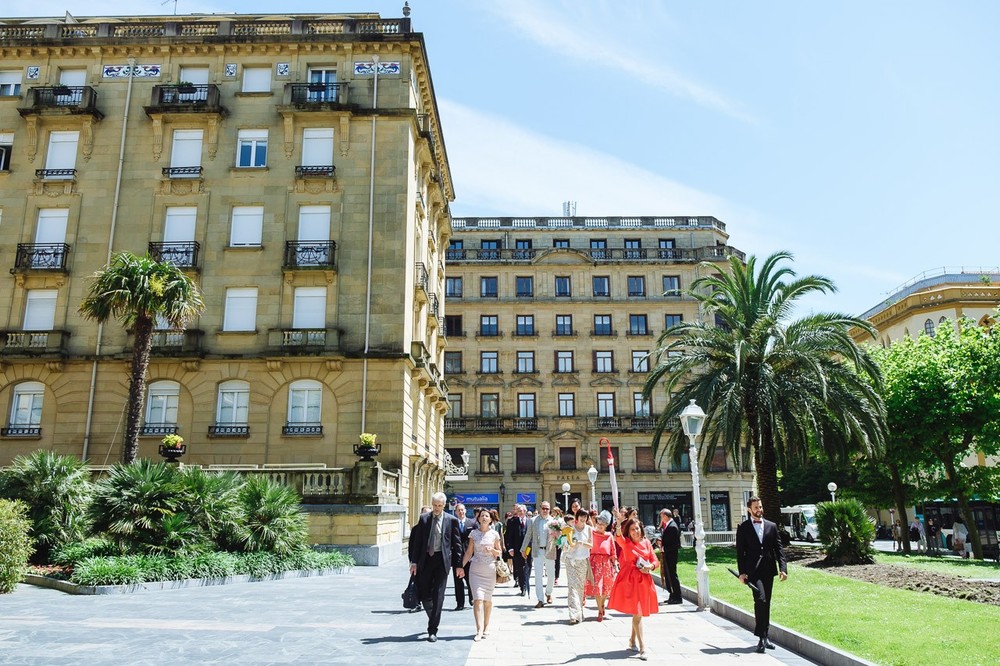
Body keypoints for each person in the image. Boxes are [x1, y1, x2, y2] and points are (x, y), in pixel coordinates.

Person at [408, 492, 464, 642]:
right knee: (425, 594)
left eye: (440, 506)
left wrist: (459, 566)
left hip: (442, 561)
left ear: (444, 505)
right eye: (435, 505)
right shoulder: (424, 519)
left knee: (438, 596)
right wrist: (413, 562)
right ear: (432, 504)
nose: (437, 508)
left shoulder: (451, 521)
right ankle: (434, 614)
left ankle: (432, 629)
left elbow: (457, 545)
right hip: (425, 560)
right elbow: (418, 543)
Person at [736, 496, 787, 653]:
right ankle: (761, 636)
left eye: (760, 507)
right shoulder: (743, 528)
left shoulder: (772, 526)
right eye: (756, 507)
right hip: (752, 572)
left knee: (767, 602)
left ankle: (765, 637)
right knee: (760, 599)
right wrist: (742, 573)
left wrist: (783, 568)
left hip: (768, 570)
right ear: (749, 509)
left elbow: (779, 549)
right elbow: (740, 553)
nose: (759, 510)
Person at [608, 512, 659, 661]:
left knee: (638, 613)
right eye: (632, 529)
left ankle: (631, 641)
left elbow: (655, 561)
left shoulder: (647, 543)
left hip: (644, 581)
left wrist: (650, 566)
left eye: (637, 528)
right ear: (628, 532)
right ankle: (643, 647)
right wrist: (618, 523)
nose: (635, 531)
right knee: (638, 612)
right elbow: (618, 537)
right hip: (630, 581)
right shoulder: (626, 543)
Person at [461, 505, 502, 641]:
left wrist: (492, 550)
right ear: (478, 518)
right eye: (482, 515)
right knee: (477, 599)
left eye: (486, 516)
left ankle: (486, 626)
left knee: (487, 601)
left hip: (490, 570)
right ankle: (478, 630)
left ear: (490, 519)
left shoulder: (494, 534)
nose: (484, 517)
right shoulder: (474, 534)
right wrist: (461, 566)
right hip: (475, 570)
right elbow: (469, 552)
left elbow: (499, 552)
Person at [521, 501, 558, 608]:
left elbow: (558, 537)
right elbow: (528, 536)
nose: (545, 510)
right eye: (543, 508)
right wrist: (523, 549)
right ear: (540, 508)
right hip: (537, 551)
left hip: (550, 550)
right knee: (538, 576)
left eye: (547, 508)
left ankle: (548, 592)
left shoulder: (553, 521)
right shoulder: (533, 521)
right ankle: (540, 599)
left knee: (551, 575)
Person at [585, 510, 616, 621]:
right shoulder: (591, 533)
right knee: (597, 588)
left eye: (602, 524)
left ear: (606, 525)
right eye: (598, 523)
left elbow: (613, 551)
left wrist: (615, 564)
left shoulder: (609, 536)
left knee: (606, 588)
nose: (599, 526)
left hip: (607, 564)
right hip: (595, 563)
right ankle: (599, 610)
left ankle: (602, 604)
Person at [564, 508, 594, 624]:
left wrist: (581, 543)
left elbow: (591, 545)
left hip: (583, 560)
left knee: (580, 587)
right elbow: (565, 544)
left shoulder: (589, 529)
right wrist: (570, 545)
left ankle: (579, 612)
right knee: (572, 587)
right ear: (577, 517)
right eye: (581, 516)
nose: (583, 518)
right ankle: (573, 615)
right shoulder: (571, 529)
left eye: (585, 517)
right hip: (571, 560)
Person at [453, 504, 477, 609]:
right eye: (458, 510)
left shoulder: (472, 523)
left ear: (465, 511)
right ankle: (460, 603)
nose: (461, 512)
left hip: (470, 556)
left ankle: (472, 598)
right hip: (456, 557)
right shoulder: (452, 523)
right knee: (458, 581)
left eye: (462, 510)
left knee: (470, 579)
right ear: (455, 512)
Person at [505, 504, 530, 595]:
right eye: (518, 511)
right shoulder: (512, 522)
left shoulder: (530, 521)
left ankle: (526, 582)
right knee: (520, 568)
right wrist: (510, 548)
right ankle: (522, 587)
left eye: (521, 511)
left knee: (528, 568)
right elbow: (508, 536)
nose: (519, 512)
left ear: (525, 511)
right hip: (516, 550)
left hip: (528, 549)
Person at [660, 508, 682, 604]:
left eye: (661, 516)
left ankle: (677, 596)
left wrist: (664, 549)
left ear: (665, 516)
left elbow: (675, 544)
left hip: (671, 555)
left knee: (672, 574)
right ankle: (672, 595)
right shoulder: (668, 526)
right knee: (668, 575)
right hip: (667, 555)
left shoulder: (672, 526)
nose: (661, 519)